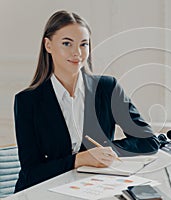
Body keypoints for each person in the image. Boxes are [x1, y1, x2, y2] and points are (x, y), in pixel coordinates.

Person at [13, 10, 160, 193]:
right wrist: (79, 159)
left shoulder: (107, 88)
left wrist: (107, 151)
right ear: (48, 45)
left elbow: (148, 140)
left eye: (84, 44)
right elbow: (30, 173)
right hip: (44, 192)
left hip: (92, 188)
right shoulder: (27, 101)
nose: (77, 53)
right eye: (67, 43)